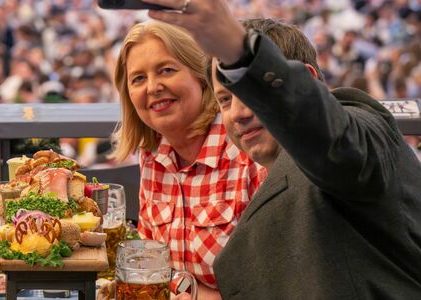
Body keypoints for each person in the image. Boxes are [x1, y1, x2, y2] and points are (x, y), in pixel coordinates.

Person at [143, 0, 421, 297]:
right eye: (225, 100)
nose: (238, 113)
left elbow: (332, 140)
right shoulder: (277, 181)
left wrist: (239, 51)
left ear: (306, 83)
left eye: (249, 93)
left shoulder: (357, 135)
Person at [109, 20, 264, 298]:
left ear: (201, 75)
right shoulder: (152, 154)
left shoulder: (247, 149)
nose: (153, 87)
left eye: (166, 70)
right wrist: (189, 290)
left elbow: (280, 275)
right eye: (138, 79)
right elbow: (152, 264)